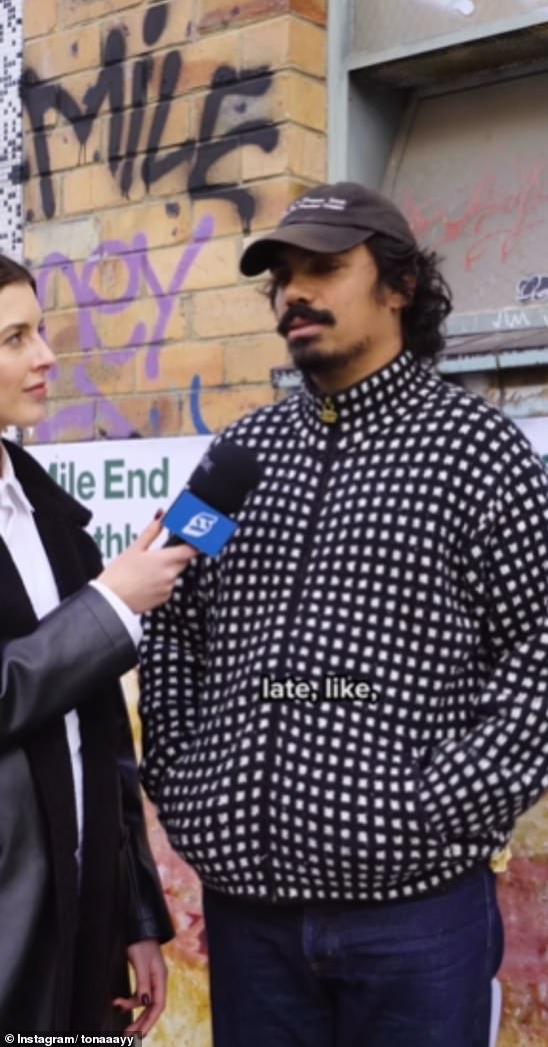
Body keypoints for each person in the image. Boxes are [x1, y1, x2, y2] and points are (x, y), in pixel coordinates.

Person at [139, 182, 548, 1047]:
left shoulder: (476, 451)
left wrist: (430, 808)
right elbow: (169, 617)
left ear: (399, 287)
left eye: (325, 268)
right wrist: (183, 779)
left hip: (414, 924)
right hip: (250, 924)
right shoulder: (239, 456)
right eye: (282, 277)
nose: (295, 295)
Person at [0, 254, 196, 1034]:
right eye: (15, 338)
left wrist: (137, 915)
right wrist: (110, 610)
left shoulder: (53, 519)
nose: (47, 357)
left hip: (86, 938)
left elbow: (103, 743)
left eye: (39, 330)